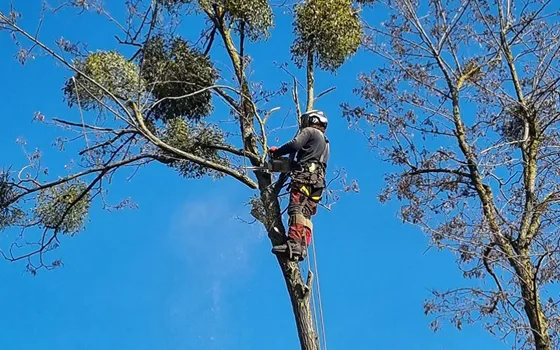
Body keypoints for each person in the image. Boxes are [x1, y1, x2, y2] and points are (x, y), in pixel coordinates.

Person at [268, 110, 330, 261]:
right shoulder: (326, 143)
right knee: (306, 215)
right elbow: (311, 161)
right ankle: (302, 247)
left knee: (296, 208)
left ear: (311, 119)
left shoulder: (309, 131)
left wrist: (278, 152)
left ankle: (294, 242)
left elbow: (295, 144)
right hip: (318, 184)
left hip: (305, 178)